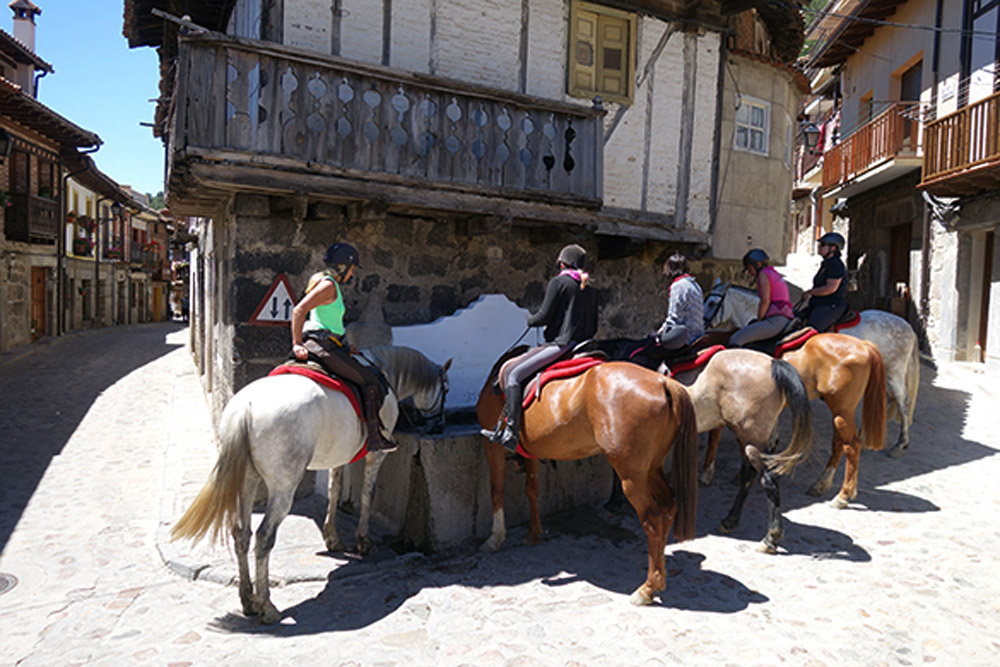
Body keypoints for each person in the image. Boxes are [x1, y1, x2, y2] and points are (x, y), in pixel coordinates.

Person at [482, 244, 599, 452]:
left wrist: (531, 320)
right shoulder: (589, 288)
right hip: (584, 346)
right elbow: (595, 325)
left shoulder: (559, 282)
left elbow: (544, 316)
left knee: (513, 374)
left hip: (562, 344)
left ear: (563, 264)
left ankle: (511, 431)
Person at [291, 242, 396, 452]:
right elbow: (299, 310)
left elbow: (330, 323)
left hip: (332, 344)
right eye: (352, 267)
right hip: (322, 346)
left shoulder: (330, 285)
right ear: (343, 266)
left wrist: (346, 347)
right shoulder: (328, 286)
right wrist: (296, 344)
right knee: (369, 379)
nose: (353, 272)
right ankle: (374, 437)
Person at [628, 253, 704, 366]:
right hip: (698, 336)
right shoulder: (695, 285)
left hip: (685, 338)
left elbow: (674, 318)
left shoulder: (678, 286)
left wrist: (658, 334)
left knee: (638, 351)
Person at [728, 248, 795, 348]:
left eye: (750, 269)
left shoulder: (763, 274)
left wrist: (760, 320)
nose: (750, 273)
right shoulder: (774, 273)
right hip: (784, 317)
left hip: (776, 320)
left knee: (736, 339)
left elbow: (765, 301)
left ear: (758, 265)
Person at [800, 232, 848, 332]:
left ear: (833, 248)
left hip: (830, 305)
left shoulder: (836, 265)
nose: (819, 247)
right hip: (819, 304)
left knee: (810, 332)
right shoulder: (826, 264)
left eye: (822, 245)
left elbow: (830, 288)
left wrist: (810, 292)